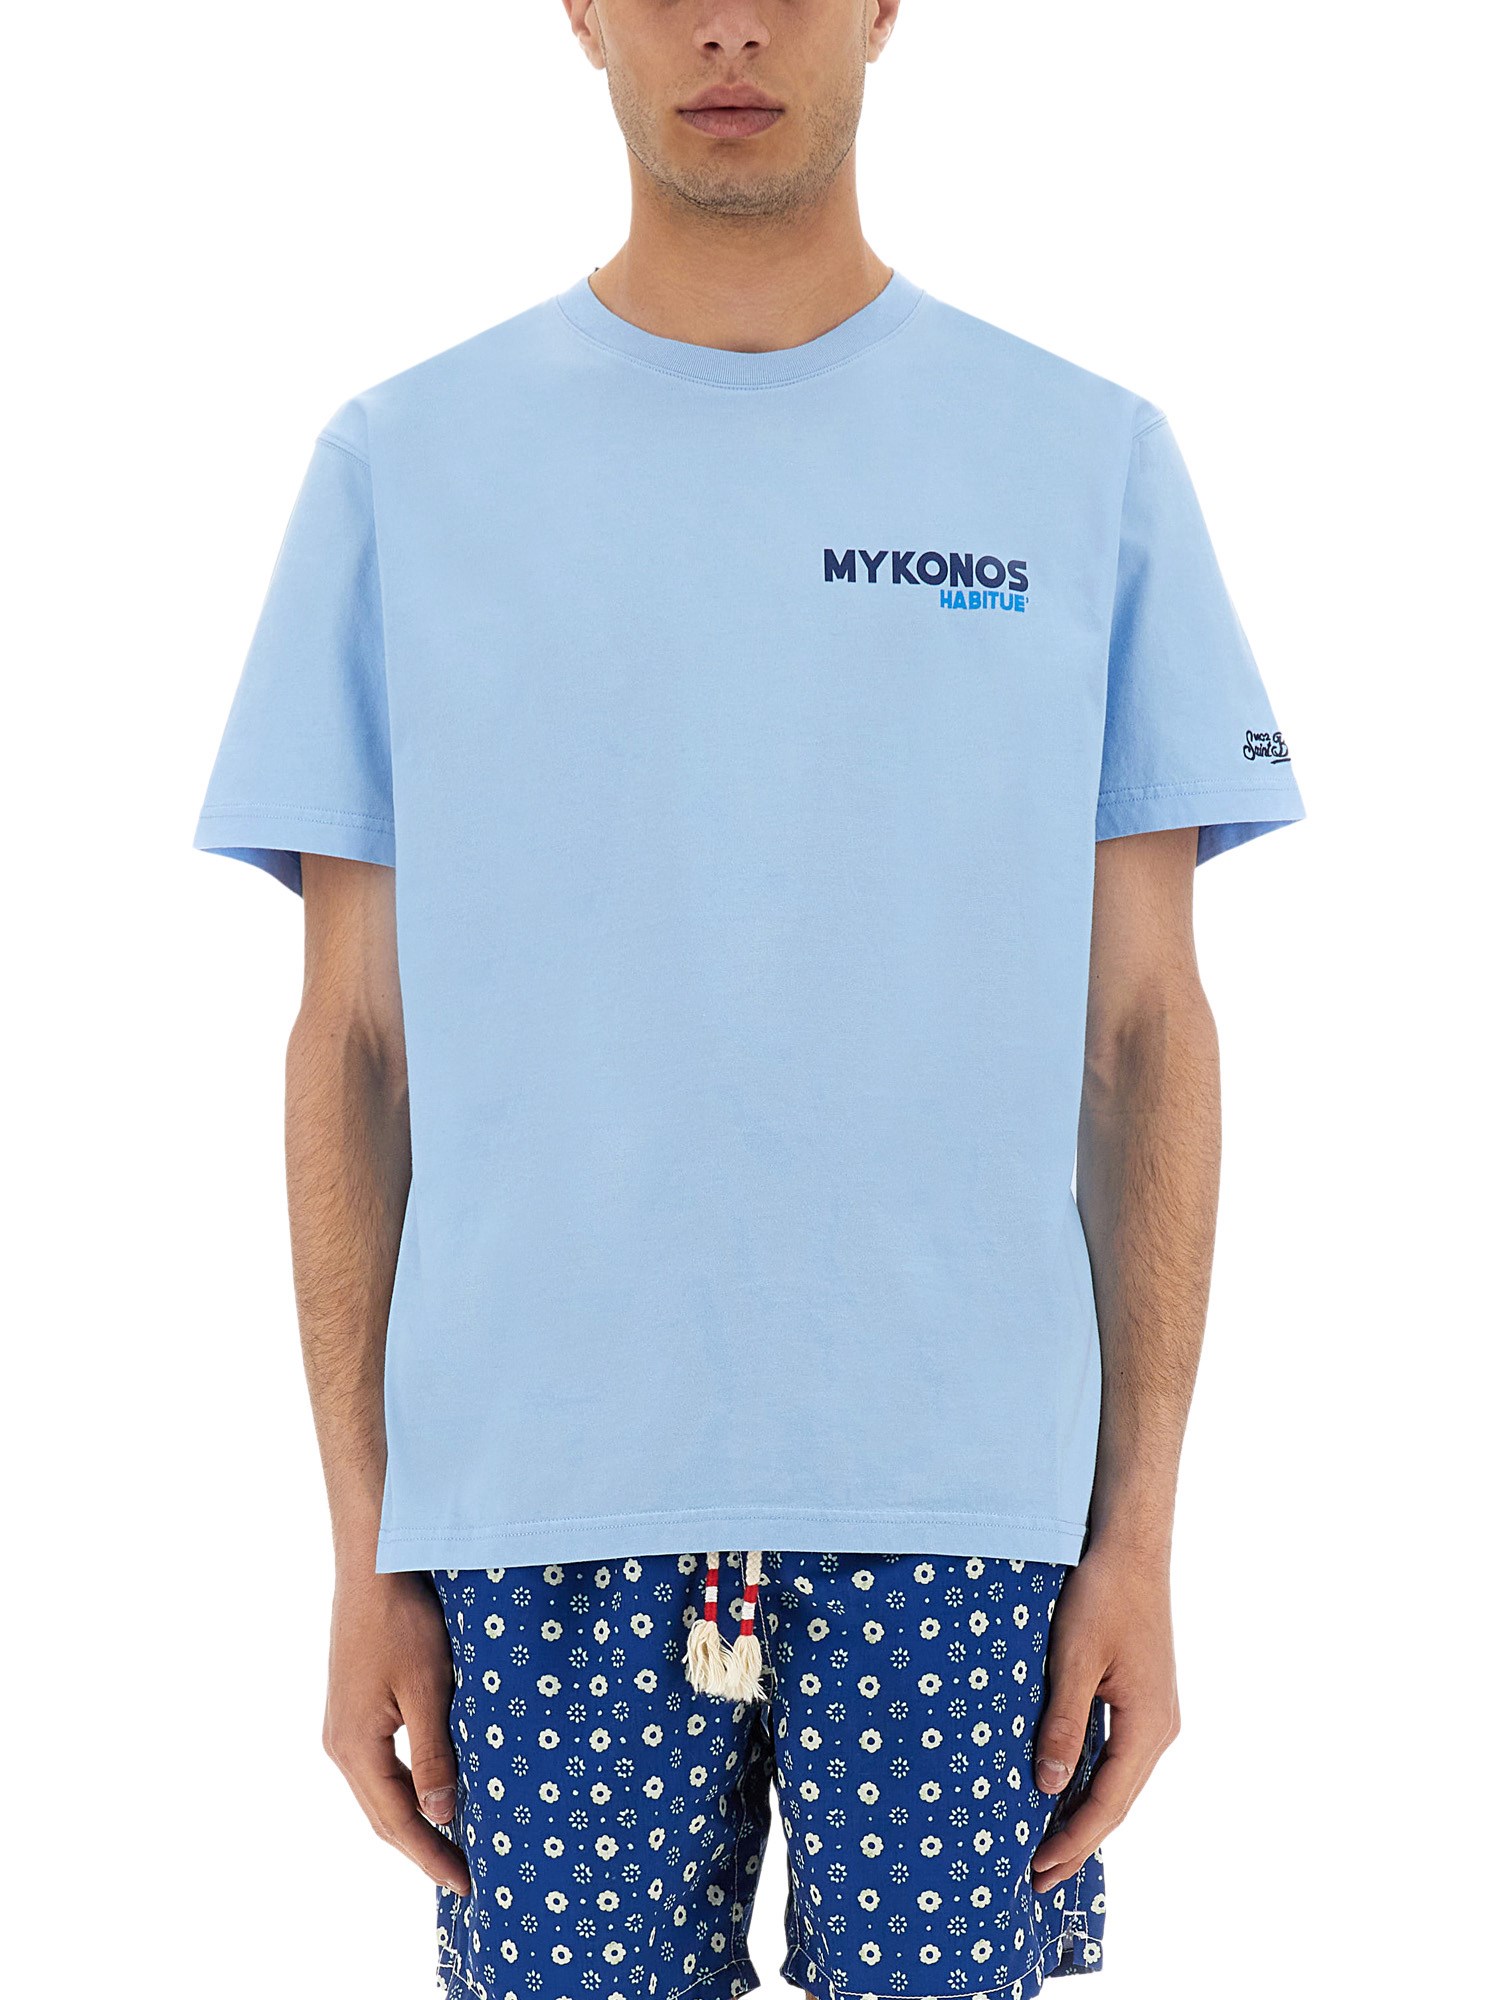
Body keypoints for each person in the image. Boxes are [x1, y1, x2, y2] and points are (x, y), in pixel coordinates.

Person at [193, 4, 1304, 1994]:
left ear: (885, 6)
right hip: (540, 1519)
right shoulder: (403, 469)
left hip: (967, 1515)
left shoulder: (1084, 463)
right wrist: (366, 1547)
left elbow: (1147, 1033)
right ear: (578, 10)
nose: (728, 22)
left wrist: (1139, 1530)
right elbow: (354, 1047)